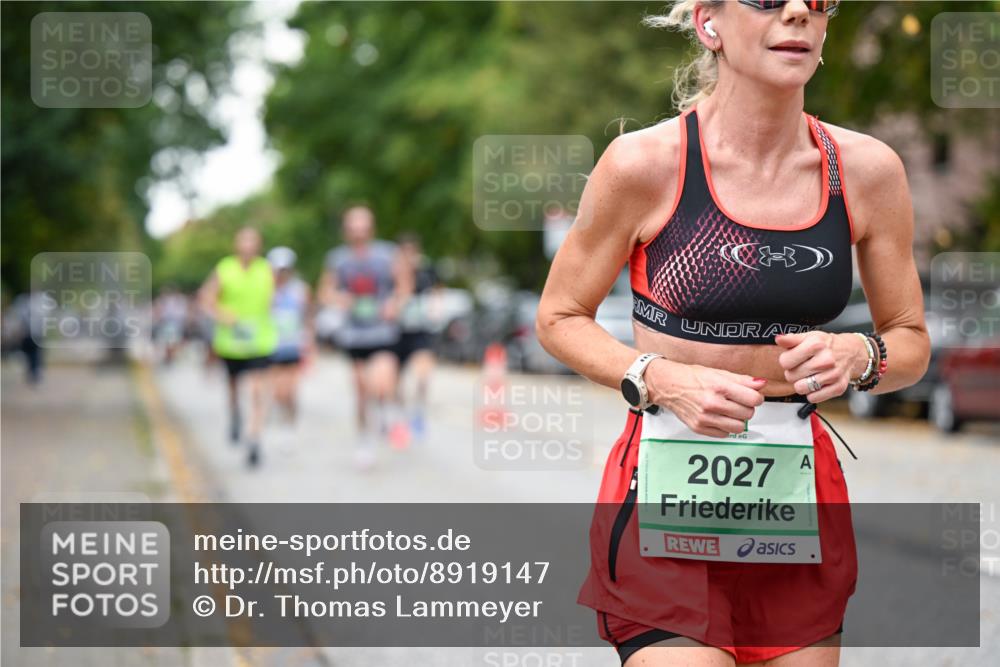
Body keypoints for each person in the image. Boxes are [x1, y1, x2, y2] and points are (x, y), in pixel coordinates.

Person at [535, 2, 930, 666]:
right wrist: (657, 376)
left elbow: (910, 339)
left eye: (817, 0)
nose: (799, 12)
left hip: (794, 500)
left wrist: (860, 354)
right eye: (769, 0)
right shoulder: (643, 164)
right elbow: (558, 316)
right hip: (666, 487)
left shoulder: (866, 171)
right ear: (709, 23)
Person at [318, 206, 413, 469]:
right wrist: (339, 298)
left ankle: (386, 411)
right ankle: (364, 441)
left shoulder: (387, 254)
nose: (359, 232)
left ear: (371, 228)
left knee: (381, 382)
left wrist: (395, 303)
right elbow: (324, 292)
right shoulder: (337, 259)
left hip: (382, 331)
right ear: (346, 231)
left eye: (363, 227)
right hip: (353, 335)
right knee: (361, 392)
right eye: (353, 227)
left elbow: (405, 286)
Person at [199, 227, 277, 468]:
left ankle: (254, 437)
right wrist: (221, 314)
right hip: (231, 342)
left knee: (256, 389)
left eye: (253, 242)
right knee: (233, 387)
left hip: (259, 340)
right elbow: (206, 299)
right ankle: (234, 414)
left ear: (259, 246)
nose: (248, 247)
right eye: (244, 242)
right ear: (236, 245)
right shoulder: (225, 268)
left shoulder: (266, 269)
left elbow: (274, 302)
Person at [394, 233, 440, 440]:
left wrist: (435, 310)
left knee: (423, 374)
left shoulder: (426, 271)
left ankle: (418, 413)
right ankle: (399, 416)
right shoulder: (392, 272)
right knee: (395, 380)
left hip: (420, 329)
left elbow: (438, 291)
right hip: (397, 331)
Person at [266, 246, 313, 428]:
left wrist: (309, 343)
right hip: (272, 345)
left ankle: (291, 422)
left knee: (291, 390)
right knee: (278, 390)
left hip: (294, 345)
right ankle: (282, 417)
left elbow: (308, 317)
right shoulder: (266, 290)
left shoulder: (300, 290)